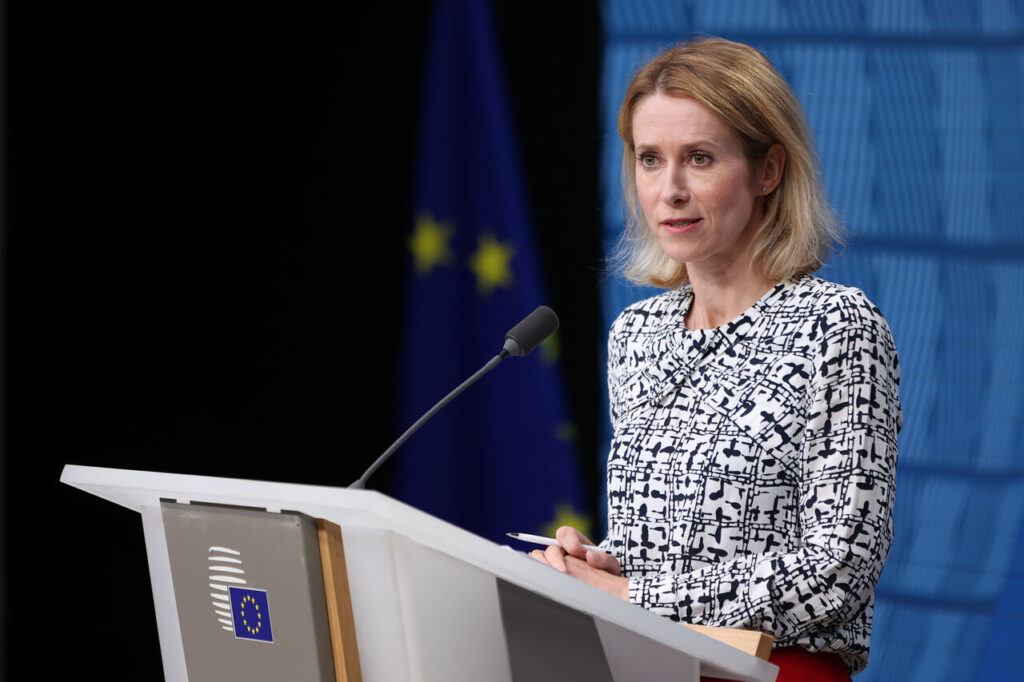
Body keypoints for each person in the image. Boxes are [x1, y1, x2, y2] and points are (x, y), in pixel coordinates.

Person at [530, 38, 901, 680]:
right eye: (650, 159)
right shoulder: (637, 334)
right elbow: (679, 550)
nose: (669, 190)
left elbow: (835, 573)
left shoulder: (837, 328)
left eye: (699, 158)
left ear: (769, 171)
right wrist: (604, 566)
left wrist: (634, 595)